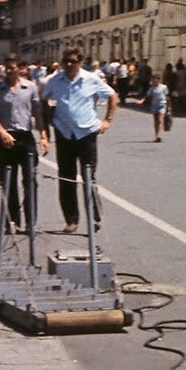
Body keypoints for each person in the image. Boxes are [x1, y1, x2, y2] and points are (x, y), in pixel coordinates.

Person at [41, 46, 118, 233]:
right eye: (66, 61)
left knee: (89, 177)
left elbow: (112, 96)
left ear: (80, 62)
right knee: (66, 178)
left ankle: (95, 217)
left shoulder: (91, 79)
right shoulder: (55, 81)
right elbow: (43, 99)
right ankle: (71, 219)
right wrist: (48, 121)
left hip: (86, 133)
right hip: (64, 134)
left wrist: (107, 120)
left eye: (73, 61)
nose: (69, 64)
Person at [0, 53, 47, 232]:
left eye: (13, 67)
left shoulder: (30, 87)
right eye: (7, 67)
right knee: (8, 182)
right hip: (6, 139)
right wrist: (2, 132)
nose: (9, 70)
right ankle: (12, 221)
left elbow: (38, 114)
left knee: (30, 181)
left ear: (20, 69)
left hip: (25, 138)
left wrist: (43, 136)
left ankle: (30, 222)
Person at [144, 73, 170, 142]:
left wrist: (169, 107)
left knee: (159, 120)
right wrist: (142, 100)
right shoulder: (152, 88)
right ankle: (156, 135)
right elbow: (147, 96)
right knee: (155, 121)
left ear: (158, 80)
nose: (153, 81)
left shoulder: (164, 87)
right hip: (154, 105)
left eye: (154, 79)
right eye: (152, 80)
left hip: (162, 104)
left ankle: (159, 136)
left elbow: (167, 97)